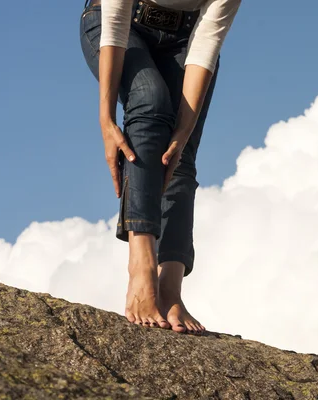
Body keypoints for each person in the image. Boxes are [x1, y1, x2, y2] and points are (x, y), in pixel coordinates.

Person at [79, 0, 241, 334]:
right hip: (120, 23)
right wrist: (106, 119)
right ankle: (141, 268)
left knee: (179, 153)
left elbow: (208, 38)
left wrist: (183, 133)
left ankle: (171, 288)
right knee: (149, 100)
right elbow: (116, 19)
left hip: (188, 37)